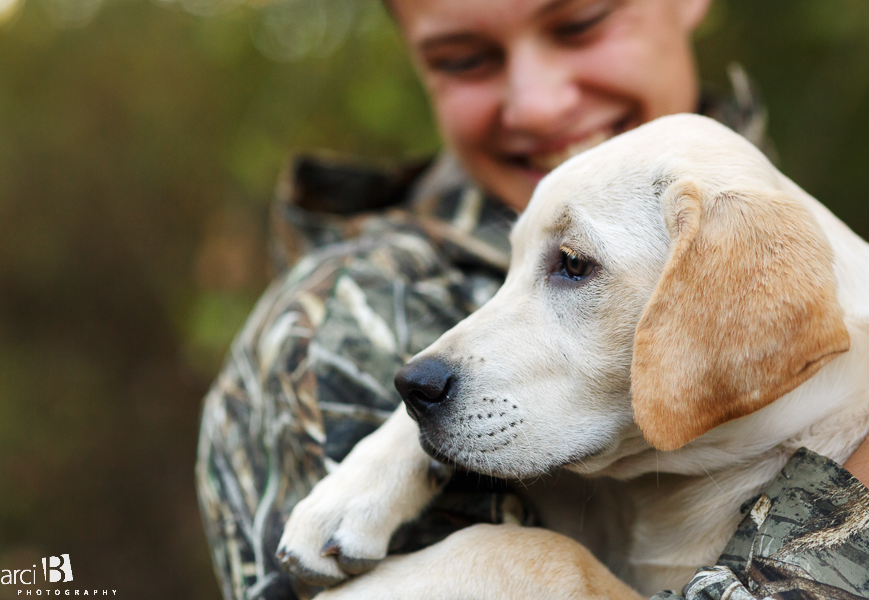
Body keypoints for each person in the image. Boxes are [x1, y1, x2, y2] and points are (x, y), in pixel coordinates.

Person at [195, 0, 869, 599]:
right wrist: (405, 450)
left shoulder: (730, 240)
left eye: (580, 23)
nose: (540, 103)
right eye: (463, 59)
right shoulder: (343, 319)